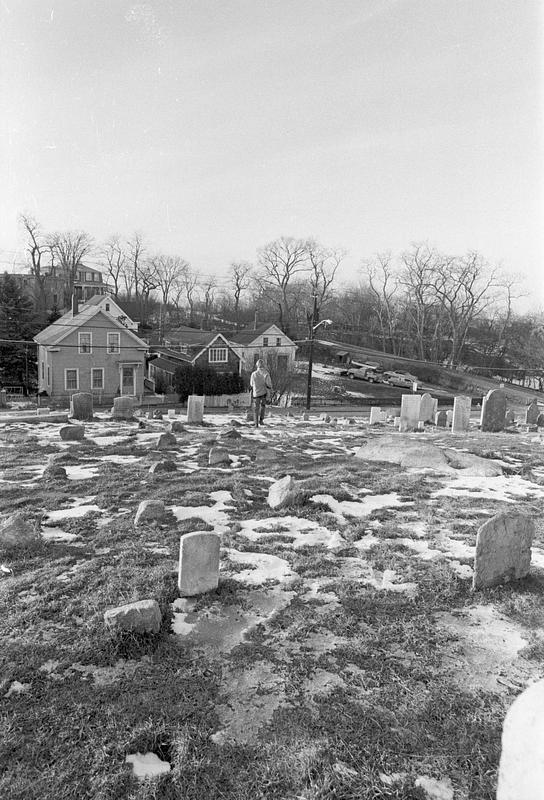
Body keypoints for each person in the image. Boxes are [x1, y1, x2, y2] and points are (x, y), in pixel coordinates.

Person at [250, 359, 272, 428]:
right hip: (263, 393)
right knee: (263, 406)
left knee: (256, 409)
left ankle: (256, 424)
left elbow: (251, 384)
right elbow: (269, 384)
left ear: (257, 365)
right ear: (263, 365)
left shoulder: (253, 374)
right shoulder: (266, 373)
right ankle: (261, 420)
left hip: (256, 393)